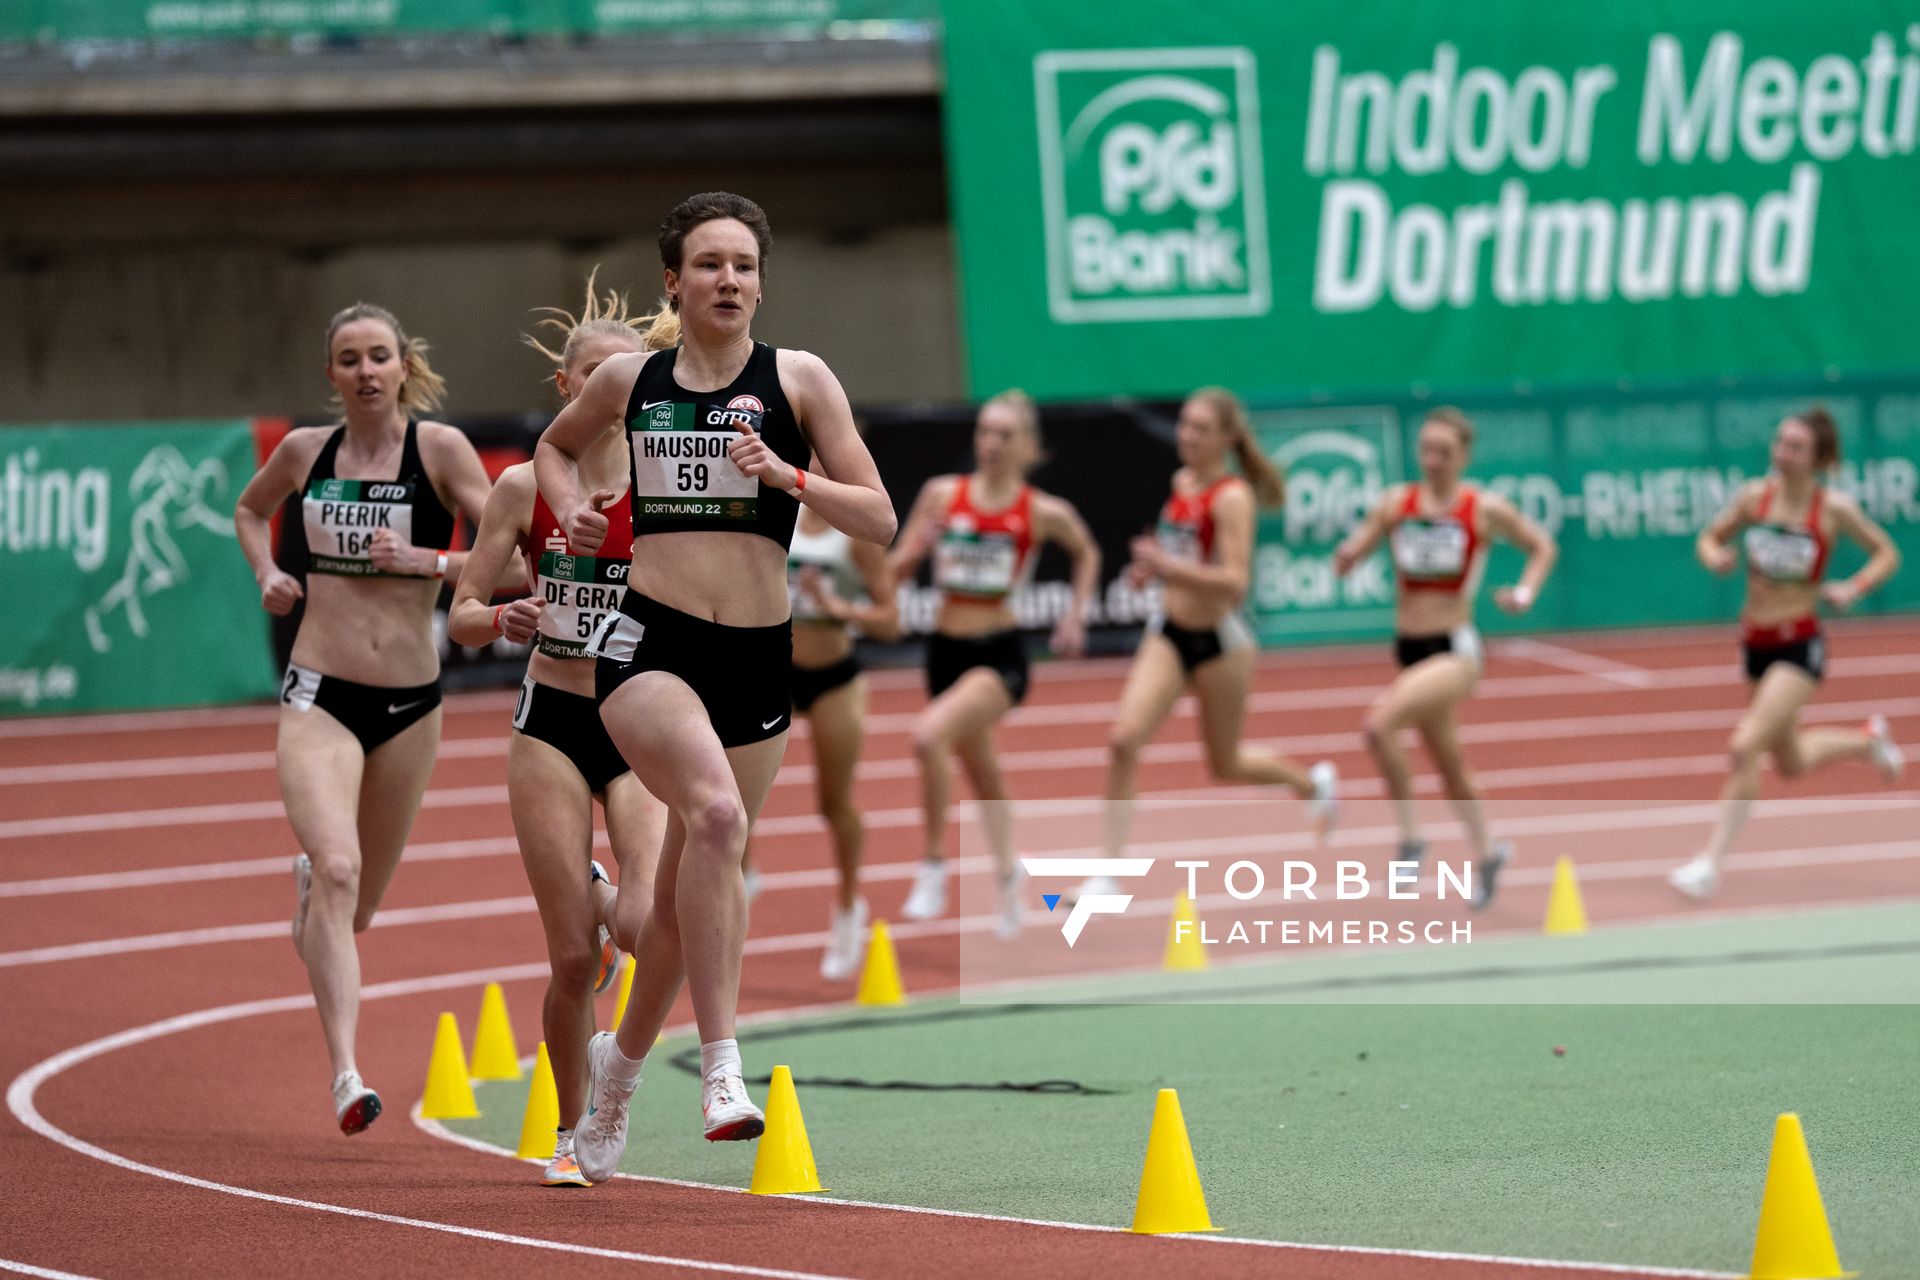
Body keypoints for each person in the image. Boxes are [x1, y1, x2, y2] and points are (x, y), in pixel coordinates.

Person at [534, 192, 894, 1182]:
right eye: (709, 264)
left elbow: (880, 519)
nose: (728, 279)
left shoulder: (799, 379)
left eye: (744, 264)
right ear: (674, 282)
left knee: (690, 900)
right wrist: (570, 512)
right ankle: (724, 1067)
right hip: (649, 641)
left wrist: (790, 477)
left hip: (757, 656)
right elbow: (554, 447)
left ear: (761, 281)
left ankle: (615, 1076)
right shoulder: (631, 378)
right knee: (719, 817)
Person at [234, 303, 495, 1133]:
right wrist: (267, 572)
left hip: (412, 704)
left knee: (357, 908)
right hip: (319, 691)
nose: (366, 371)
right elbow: (247, 511)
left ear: (404, 364)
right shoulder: (306, 453)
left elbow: (515, 554)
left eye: (379, 355)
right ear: (332, 375)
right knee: (338, 871)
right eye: (349, 359)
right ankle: (346, 1073)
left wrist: (433, 562)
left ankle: (317, 894)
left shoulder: (441, 451)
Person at [445, 274, 671, 1185]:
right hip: (553, 719)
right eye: (589, 378)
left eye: (622, 376)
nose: (605, 392)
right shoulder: (518, 488)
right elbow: (460, 610)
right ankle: (570, 1134)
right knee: (573, 957)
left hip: (641, 717)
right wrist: (499, 619)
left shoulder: (668, 485)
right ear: (567, 390)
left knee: (649, 923)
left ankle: (608, 896)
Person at [1078, 388, 1337, 901]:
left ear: (1226, 438)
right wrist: (1149, 568)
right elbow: (1182, 551)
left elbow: (1234, 582)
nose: (1187, 436)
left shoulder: (1232, 496)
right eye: (1183, 425)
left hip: (1221, 643)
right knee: (1124, 740)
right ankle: (1107, 874)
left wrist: (1170, 567)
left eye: (1200, 428)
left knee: (1226, 764)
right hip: (1170, 634)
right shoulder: (1182, 481)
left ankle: (1312, 786)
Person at [889, 391, 1101, 936]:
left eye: (1005, 435)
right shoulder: (942, 495)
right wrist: (917, 550)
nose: (991, 443)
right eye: (985, 431)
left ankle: (934, 864)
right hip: (944, 652)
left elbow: (1088, 550)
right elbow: (890, 575)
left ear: (1028, 446)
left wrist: (1076, 616)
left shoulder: (1040, 510)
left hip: (999, 654)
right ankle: (1011, 877)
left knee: (928, 738)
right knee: (984, 775)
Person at [1669, 408, 1903, 899]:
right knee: (1791, 761)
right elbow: (1709, 536)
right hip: (1755, 642)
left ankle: (1709, 864)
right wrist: (1715, 557)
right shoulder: (1756, 498)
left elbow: (1887, 552)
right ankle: (1866, 742)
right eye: (1779, 443)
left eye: (1795, 447)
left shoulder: (1833, 510)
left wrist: (1853, 587)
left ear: (1818, 457)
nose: (1781, 453)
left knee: (1744, 745)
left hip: (1800, 644)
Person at [1331, 407, 1557, 908]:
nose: (1433, 460)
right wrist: (1348, 556)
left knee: (1379, 726)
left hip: (1454, 650)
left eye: (1445, 453)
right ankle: (1490, 851)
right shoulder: (1397, 503)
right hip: (1409, 650)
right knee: (1450, 765)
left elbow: (1542, 547)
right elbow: (1359, 547)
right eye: (1426, 450)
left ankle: (1412, 840)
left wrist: (1524, 593)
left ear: (1464, 456)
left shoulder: (1482, 508)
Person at [782, 487, 901, 978]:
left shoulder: (854, 532)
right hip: (776, 671)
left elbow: (891, 620)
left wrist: (834, 606)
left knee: (834, 803)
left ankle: (850, 910)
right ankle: (742, 876)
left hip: (835, 677)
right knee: (730, 784)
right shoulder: (781, 513)